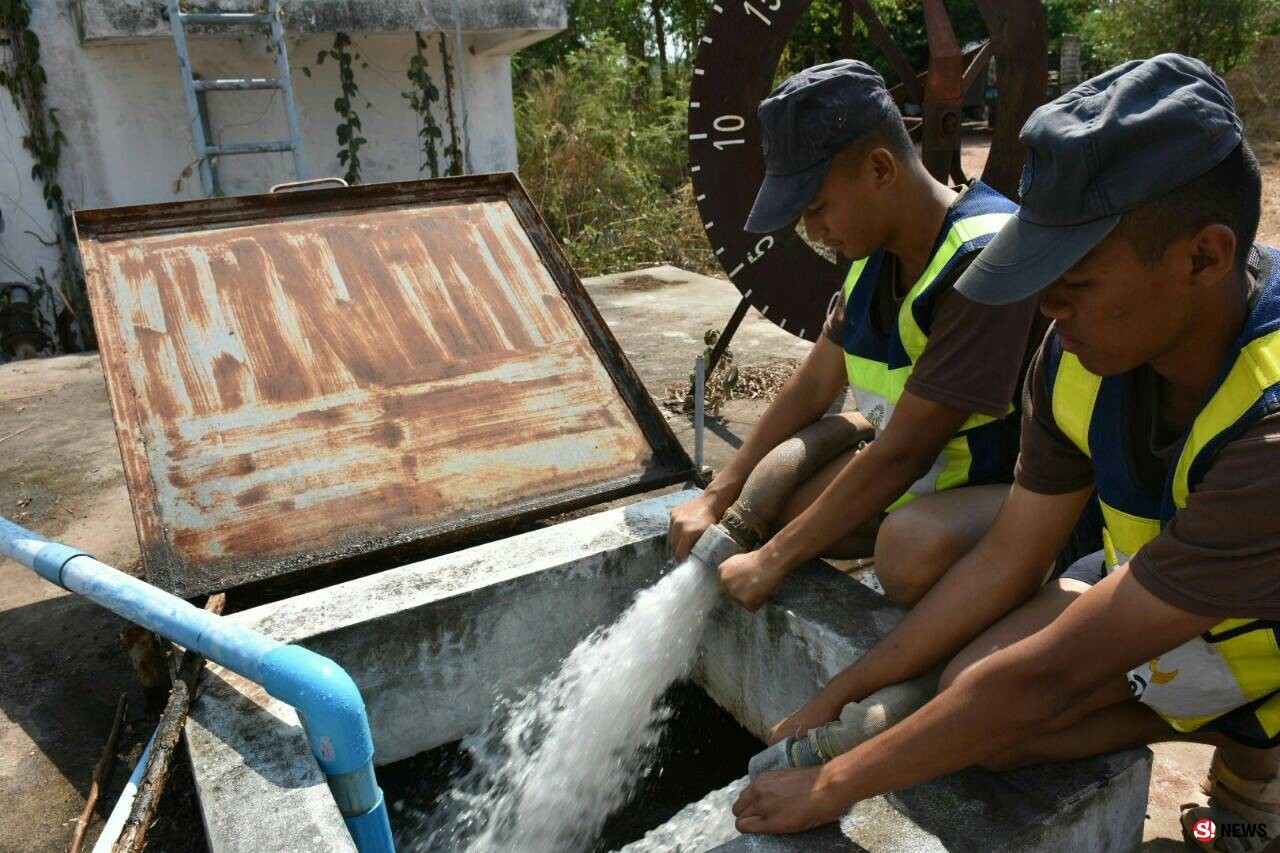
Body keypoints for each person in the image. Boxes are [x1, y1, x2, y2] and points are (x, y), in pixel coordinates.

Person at [733, 54, 1280, 850]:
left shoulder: (1268, 429)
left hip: (1258, 634)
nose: (1048, 308)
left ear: (1204, 257)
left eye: (1077, 282)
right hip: (1169, 589)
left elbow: (1046, 674)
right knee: (978, 710)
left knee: (1010, 698)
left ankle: (1251, 760)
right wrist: (836, 697)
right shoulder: (1078, 354)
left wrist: (833, 781)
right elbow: (1003, 560)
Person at [668, 59, 1048, 610]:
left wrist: (772, 560)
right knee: (783, 505)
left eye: (817, 208)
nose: (813, 233)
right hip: (931, 479)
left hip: (1018, 492)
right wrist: (719, 492)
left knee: (906, 552)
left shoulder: (981, 258)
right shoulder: (873, 256)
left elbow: (905, 453)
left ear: (879, 169)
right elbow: (814, 384)